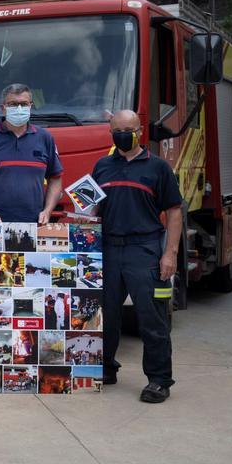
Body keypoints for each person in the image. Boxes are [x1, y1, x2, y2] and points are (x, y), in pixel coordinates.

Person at [90, 109, 182, 403]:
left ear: (140, 130)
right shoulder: (103, 166)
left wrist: (170, 253)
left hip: (145, 250)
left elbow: (175, 211)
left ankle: (158, 379)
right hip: (108, 249)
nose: (123, 134)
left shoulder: (157, 167)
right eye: (117, 129)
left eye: (128, 129)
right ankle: (106, 368)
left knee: (151, 317)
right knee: (105, 317)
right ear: (110, 132)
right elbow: (92, 209)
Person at [0, 83, 63, 223]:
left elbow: (55, 178)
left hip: (34, 225)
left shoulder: (44, 138)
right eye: (13, 104)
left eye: (24, 104)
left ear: (31, 106)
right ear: (3, 108)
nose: (19, 108)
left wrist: (47, 211)